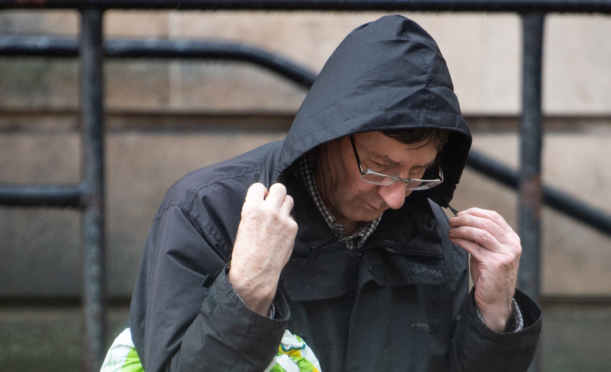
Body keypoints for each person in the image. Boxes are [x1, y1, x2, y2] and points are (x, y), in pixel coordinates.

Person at [128, 15, 542, 372]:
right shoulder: (205, 211)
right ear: (330, 136)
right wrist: (246, 293)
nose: (397, 197)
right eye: (381, 167)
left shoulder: (434, 234)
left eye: (419, 172)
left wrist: (495, 318)